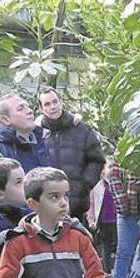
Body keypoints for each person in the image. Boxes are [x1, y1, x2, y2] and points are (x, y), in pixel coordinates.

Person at [38, 88, 105, 221]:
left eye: (55, 101)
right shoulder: (37, 133)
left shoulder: (81, 129)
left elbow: (96, 160)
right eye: (47, 104)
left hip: (77, 206)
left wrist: (84, 185)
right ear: (41, 108)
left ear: (61, 102)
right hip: (46, 206)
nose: (53, 107)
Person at [107, 158, 140, 278]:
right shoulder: (118, 162)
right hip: (126, 215)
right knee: (124, 251)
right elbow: (115, 186)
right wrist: (124, 208)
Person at [0, 93, 52, 173]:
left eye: (28, 107)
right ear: (5, 119)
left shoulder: (41, 140)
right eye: (21, 109)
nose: (30, 111)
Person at [86, 163, 118, 278]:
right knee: (106, 247)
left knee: (119, 246)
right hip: (103, 221)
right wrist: (91, 220)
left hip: (116, 220)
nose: (110, 170)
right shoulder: (97, 187)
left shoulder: (116, 184)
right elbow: (92, 205)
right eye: (108, 167)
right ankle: (107, 271)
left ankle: (120, 272)